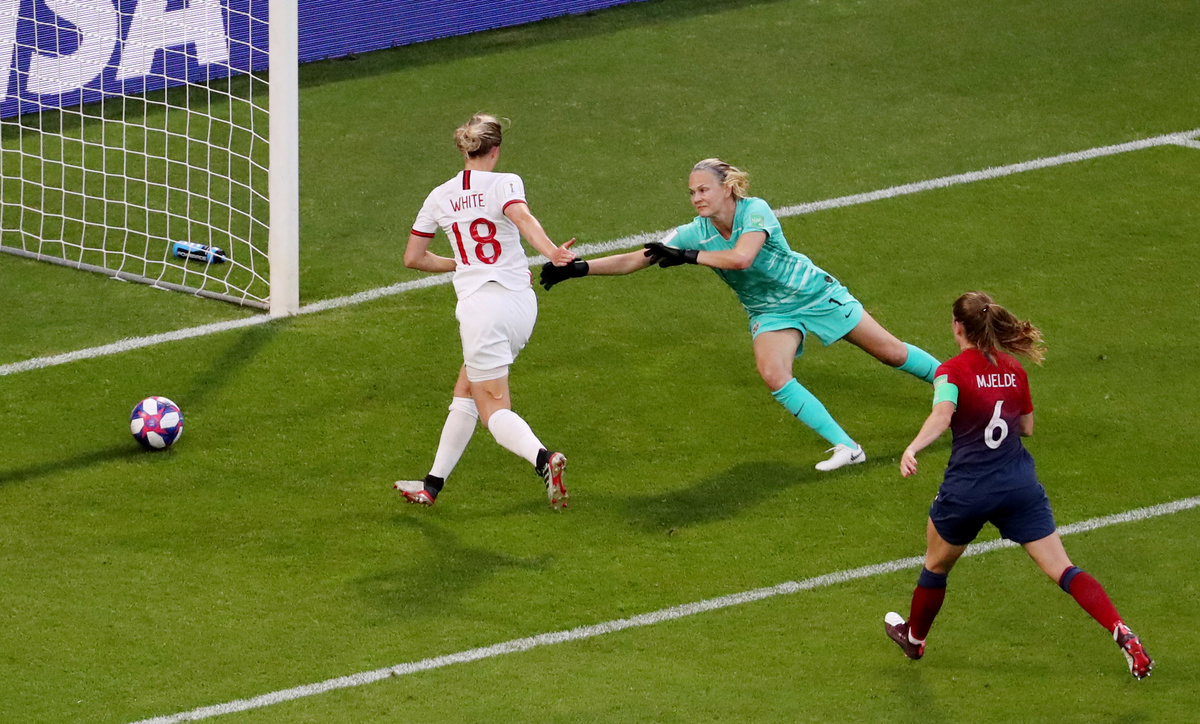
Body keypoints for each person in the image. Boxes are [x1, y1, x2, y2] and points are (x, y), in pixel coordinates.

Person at [539, 158, 940, 470]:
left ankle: (959, 385)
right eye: (692, 192)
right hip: (769, 311)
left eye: (704, 189)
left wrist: (690, 257)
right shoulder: (694, 231)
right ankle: (847, 447)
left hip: (814, 294)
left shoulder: (755, 211)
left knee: (891, 353)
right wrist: (578, 269)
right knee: (773, 373)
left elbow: (742, 258)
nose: (697, 198)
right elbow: (636, 259)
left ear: (727, 187)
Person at [883, 291, 1152, 679]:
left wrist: (912, 448)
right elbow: (1026, 427)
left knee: (936, 565)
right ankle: (1121, 630)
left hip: (968, 490)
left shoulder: (950, 371)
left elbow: (942, 415)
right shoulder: (1014, 369)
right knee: (1063, 568)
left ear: (958, 327)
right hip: (1018, 486)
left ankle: (915, 639)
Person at [393, 113, 576, 509]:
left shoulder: (439, 196)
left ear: (464, 149)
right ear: (495, 150)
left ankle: (544, 459)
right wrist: (551, 252)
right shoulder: (506, 182)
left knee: (493, 409)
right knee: (466, 390)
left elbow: (413, 257)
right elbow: (521, 217)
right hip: (520, 305)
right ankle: (431, 485)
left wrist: (462, 263)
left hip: (481, 310)